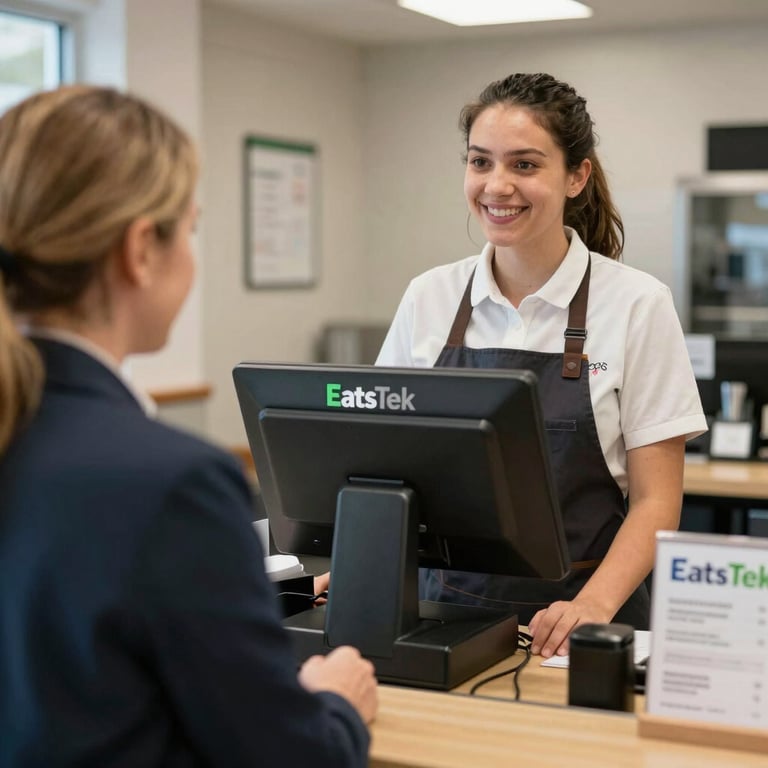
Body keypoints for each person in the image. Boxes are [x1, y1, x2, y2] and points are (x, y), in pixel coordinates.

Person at [0, 85, 376, 767]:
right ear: (141, 249)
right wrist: (338, 703)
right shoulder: (172, 480)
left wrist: (237, 590)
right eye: (192, 228)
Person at [376, 72, 707, 658]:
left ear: (576, 176)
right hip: (438, 611)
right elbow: (389, 472)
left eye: (525, 165)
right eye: (481, 162)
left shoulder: (636, 304)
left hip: (583, 618)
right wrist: (359, 570)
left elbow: (658, 499)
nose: (496, 186)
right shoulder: (427, 297)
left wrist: (592, 607)